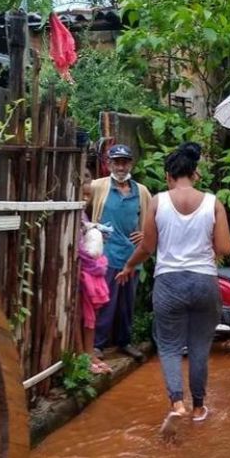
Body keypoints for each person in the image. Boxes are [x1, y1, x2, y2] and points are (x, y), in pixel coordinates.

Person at [117, 142, 230, 440]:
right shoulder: (213, 202)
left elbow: (147, 247)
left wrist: (129, 266)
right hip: (204, 281)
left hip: (168, 282)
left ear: (169, 176)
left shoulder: (157, 202)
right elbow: (224, 248)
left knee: (168, 347)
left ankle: (177, 404)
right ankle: (198, 409)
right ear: (194, 173)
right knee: (199, 348)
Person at [86, 143, 152, 361]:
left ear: (131, 163)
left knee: (126, 303)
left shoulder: (141, 191)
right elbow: (81, 208)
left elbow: (153, 218)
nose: (121, 166)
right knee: (105, 301)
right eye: (116, 162)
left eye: (124, 162)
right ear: (108, 164)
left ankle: (125, 341)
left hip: (131, 256)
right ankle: (98, 345)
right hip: (106, 255)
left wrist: (144, 233)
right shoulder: (98, 186)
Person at [77, 221, 112, 374]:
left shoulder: (83, 216)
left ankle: (89, 353)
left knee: (90, 315)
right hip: (80, 270)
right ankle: (82, 356)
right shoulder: (76, 215)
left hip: (92, 269)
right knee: (79, 316)